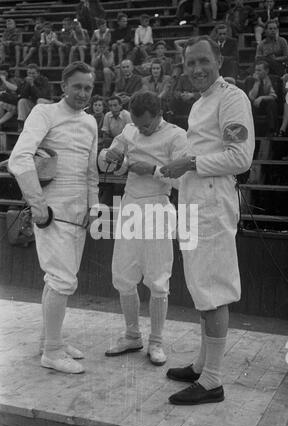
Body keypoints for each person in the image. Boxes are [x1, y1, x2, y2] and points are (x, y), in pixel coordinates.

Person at [161, 36, 255, 405]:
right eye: (190, 64)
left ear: (219, 60)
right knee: (201, 285)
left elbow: (240, 158)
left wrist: (189, 163)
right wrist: (174, 170)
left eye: (204, 61)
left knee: (213, 288)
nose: (197, 69)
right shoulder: (202, 103)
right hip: (195, 202)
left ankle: (213, 380)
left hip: (214, 204)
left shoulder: (232, 98)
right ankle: (203, 364)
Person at [8, 62, 99, 374]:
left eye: (88, 88)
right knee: (62, 279)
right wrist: (37, 204)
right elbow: (19, 159)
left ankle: (52, 338)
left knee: (60, 280)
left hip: (78, 214)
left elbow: (91, 171)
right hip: (50, 211)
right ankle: (52, 351)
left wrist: (93, 206)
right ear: (64, 86)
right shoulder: (44, 113)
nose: (83, 93)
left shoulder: (90, 123)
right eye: (77, 87)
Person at [104, 90, 187, 366]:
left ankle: (157, 342)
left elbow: (182, 182)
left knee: (158, 277)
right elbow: (109, 159)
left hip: (158, 206)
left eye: (147, 125)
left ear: (159, 115)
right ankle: (131, 335)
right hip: (130, 204)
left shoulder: (177, 135)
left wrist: (152, 170)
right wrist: (114, 155)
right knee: (123, 274)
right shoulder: (129, 129)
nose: (142, 129)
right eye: (138, 125)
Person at [245, 60, 279, 136]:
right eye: (256, 70)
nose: (256, 72)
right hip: (254, 105)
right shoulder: (250, 79)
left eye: (259, 70)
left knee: (272, 104)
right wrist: (257, 82)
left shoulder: (271, 80)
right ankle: (250, 131)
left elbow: (274, 96)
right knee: (249, 105)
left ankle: (272, 131)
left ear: (266, 71)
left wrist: (261, 98)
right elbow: (251, 97)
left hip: (265, 105)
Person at [17, 64, 52, 130]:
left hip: (46, 102)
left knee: (40, 100)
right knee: (22, 101)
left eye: (33, 73)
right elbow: (23, 95)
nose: (31, 75)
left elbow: (42, 95)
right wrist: (27, 84)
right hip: (34, 103)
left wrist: (32, 85)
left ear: (38, 73)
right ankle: (21, 124)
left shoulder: (44, 80)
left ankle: (39, 125)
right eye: (29, 73)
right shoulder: (26, 81)